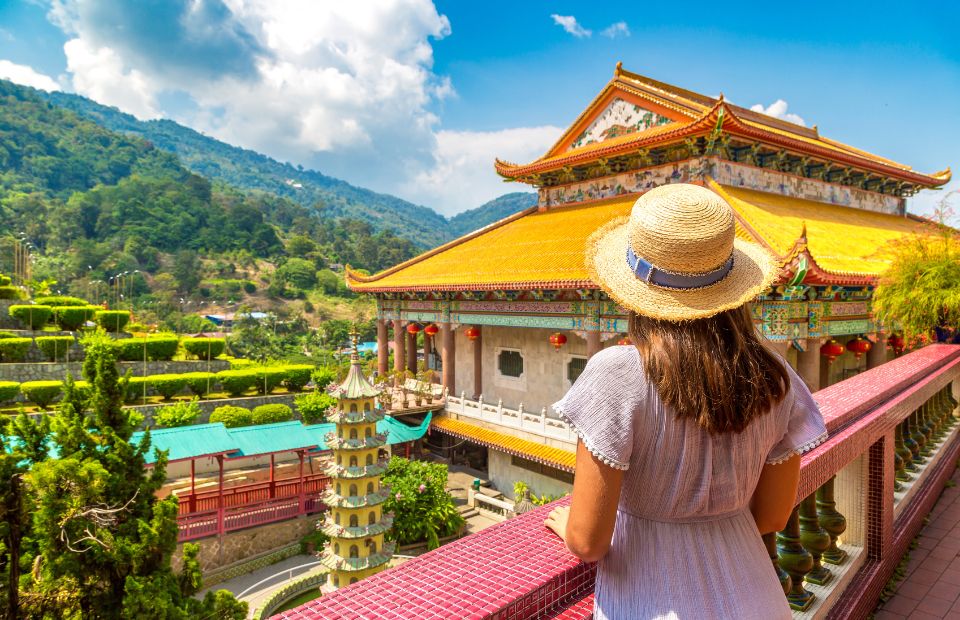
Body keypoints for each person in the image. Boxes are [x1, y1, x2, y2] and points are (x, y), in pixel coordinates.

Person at [544, 183, 826, 619]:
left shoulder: (618, 373)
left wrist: (569, 527)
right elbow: (771, 516)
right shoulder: (775, 376)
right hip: (757, 596)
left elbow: (588, 542)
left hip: (651, 598)